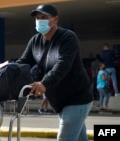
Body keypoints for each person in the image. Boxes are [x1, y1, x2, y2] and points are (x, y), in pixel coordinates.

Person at [16, 4, 93, 141]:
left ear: (55, 20)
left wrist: (44, 83)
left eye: (44, 17)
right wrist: (4, 72)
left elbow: (62, 64)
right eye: (37, 18)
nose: (40, 21)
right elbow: (23, 63)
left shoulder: (67, 38)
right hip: (58, 100)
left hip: (77, 98)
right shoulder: (35, 41)